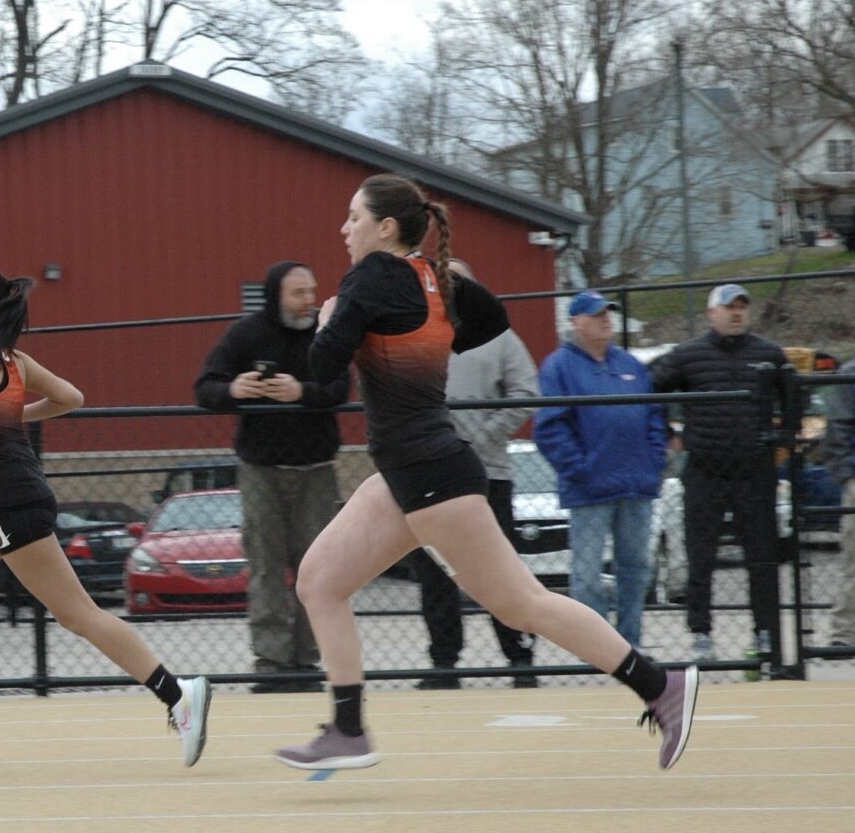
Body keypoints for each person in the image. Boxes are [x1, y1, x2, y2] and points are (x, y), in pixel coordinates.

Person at [271, 173, 698, 773]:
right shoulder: (433, 280)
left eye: (353, 218)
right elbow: (493, 318)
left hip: (429, 472)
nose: (345, 230)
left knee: (521, 603)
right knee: (319, 581)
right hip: (409, 471)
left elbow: (323, 371)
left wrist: (332, 318)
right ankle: (347, 728)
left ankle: (661, 685)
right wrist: (425, 327)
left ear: (385, 227)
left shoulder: (371, 277)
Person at [0, 262, 211, 766]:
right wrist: (14, 415)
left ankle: (177, 694)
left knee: (77, 614)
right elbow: (70, 398)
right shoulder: (11, 358)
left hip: (13, 502)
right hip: (7, 497)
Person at [194, 260, 350, 692]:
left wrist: (303, 393)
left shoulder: (325, 334)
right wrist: (234, 390)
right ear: (275, 295)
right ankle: (270, 663)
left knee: (315, 570)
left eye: (311, 291)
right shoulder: (245, 334)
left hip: (317, 470)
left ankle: (305, 662)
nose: (308, 301)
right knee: (265, 567)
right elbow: (204, 387)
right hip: (260, 471)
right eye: (298, 293)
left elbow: (342, 388)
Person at [412, 259, 539, 689]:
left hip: (489, 476)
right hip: (430, 476)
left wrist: (485, 432)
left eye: (458, 282)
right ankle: (444, 663)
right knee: (435, 570)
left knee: (498, 568)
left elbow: (526, 392)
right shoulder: (415, 335)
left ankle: (520, 655)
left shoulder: (500, 337)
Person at [650, 285, 787, 662]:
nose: (737, 313)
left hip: (755, 472)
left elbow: (795, 396)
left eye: (742, 307)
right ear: (712, 313)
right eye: (729, 308)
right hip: (705, 470)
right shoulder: (689, 355)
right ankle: (701, 634)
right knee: (701, 556)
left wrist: (780, 436)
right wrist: (669, 435)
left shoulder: (769, 354)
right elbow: (651, 389)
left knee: (762, 557)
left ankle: (765, 632)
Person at [534, 291, 668, 650]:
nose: (606, 320)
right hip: (590, 489)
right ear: (576, 321)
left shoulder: (631, 365)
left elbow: (655, 415)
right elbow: (549, 427)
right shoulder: (558, 367)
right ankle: (597, 648)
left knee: (636, 568)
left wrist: (655, 459)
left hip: (636, 485)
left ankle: (630, 644)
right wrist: (580, 469)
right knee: (587, 574)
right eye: (596, 315)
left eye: (608, 313)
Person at [818, 356, 855, 648]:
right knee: (854, 563)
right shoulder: (850, 375)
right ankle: (844, 634)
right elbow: (837, 433)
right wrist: (847, 479)